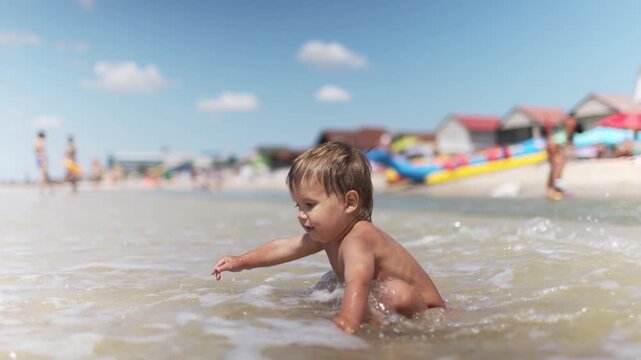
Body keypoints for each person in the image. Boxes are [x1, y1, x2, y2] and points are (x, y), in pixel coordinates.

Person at [212, 141, 445, 333]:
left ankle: (379, 332)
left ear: (350, 202)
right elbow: (284, 247)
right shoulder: (330, 233)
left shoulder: (358, 240)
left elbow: (358, 283)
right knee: (331, 280)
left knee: (394, 293)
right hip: (385, 297)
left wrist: (345, 324)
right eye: (298, 205)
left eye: (310, 205)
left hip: (427, 311)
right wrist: (241, 261)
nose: (301, 215)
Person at [543, 112, 581, 200]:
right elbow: (553, 141)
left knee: (557, 167)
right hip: (554, 146)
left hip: (556, 147)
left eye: (573, 120)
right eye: (569, 120)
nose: (571, 122)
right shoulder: (561, 132)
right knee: (557, 166)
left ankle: (554, 189)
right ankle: (553, 189)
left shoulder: (573, 131)